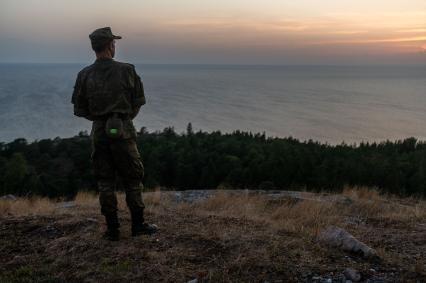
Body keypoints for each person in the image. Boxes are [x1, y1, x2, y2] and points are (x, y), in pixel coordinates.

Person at [71, 27, 157, 241]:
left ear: (94, 48)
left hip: (99, 132)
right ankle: (138, 226)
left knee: (105, 181)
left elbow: (79, 110)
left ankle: (112, 230)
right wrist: (122, 119)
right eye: (114, 43)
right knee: (133, 178)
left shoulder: (84, 74)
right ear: (110, 45)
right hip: (124, 130)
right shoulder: (127, 70)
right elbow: (138, 102)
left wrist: (100, 119)